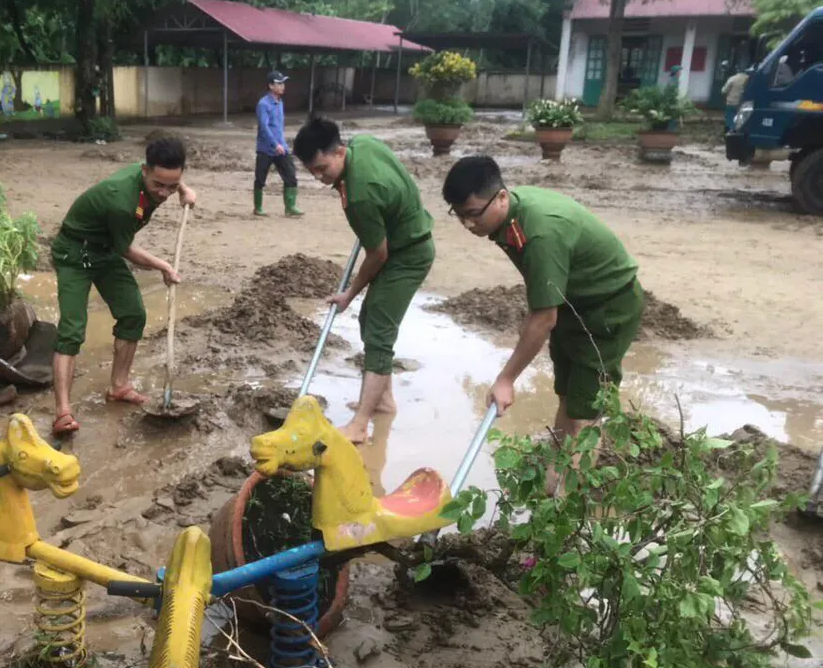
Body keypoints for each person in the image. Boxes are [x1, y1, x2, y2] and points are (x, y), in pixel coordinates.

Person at [441, 155, 644, 454]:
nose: (467, 224)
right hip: (572, 304)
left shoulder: (540, 233)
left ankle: (573, 492)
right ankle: (555, 481)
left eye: (472, 214)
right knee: (567, 394)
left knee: (585, 411)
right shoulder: (508, 214)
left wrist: (506, 379)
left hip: (608, 308)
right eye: (458, 215)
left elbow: (544, 319)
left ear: (500, 197)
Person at [292, 117, 435, 445]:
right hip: (406, 236)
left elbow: (378, 254)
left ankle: (360, 424)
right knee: (371, 318)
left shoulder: (359, 196)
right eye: (312, 170)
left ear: (340, 151)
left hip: (407, 254)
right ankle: (383, 401)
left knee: (379, 331)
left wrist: (349, 293)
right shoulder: (365, 143)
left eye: (322, 168)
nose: (318, 177)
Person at [50, 137, 197, 435]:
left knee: (133, 314)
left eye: (172, 185)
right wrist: (164, 266)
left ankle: (119, 387)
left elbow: (168, 181)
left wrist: (184, 190)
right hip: (75, 253)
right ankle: (63, 412)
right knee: (72, 329)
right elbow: (127, 250)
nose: (164, 193)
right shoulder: (121, 202)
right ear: (144, 171)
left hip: (104, 250)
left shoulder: (154, 177)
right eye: (159, 185)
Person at [254, 71, 302, 218]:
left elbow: (278, 127)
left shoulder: (280, 103)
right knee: (260, 179)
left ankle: (290, 207)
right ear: (270, 86)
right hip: (266, 149)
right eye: (279, 83)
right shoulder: (263, 104)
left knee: (291, 176)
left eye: (283, 83)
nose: (282, 86)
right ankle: (258, 207)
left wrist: (283, 144)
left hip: (281, 148)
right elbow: (264, 126)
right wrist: (275, 144)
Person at [721, 65, 749, 131]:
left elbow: (724, 91)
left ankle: (731, 131)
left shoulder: (732, 78)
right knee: (741, 119)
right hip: (744, 103)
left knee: (730, 118)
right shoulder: (749, 78)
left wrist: (723, 88)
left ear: (737, 71)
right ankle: (738, 132)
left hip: (732, 102)